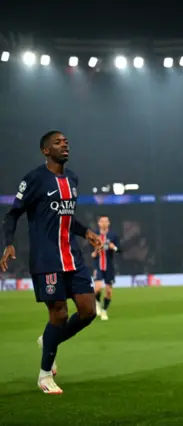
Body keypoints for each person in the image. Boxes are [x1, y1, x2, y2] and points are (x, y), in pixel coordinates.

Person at [0, 130, 103, 394]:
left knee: (88, 311)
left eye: (66, 141)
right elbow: (13, 214)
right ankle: (45, 375)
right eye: (58, 142)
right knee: (58, 314)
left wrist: (87, 232)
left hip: (73, 256)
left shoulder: (73, 178)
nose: (64, 145)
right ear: (46, 151)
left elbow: (67, 217)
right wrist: (9, 243)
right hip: (47, 258)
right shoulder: (35, 178)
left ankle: (47, 340)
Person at [91, 215, 121, 321]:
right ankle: (97, 302)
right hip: (98, 265)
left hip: (109, 266)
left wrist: (114, 247)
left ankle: (104, 310)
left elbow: (120, 250)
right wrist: (95, 252)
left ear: (109, 223)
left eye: (106, 221)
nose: (104, 223)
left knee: (108, 291)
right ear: (98, 223)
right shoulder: (94, 235)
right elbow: (90, 253)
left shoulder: (113, 236)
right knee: (98, 288)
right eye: (102, 221)